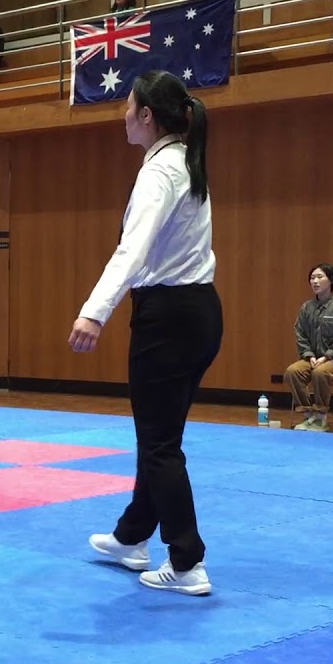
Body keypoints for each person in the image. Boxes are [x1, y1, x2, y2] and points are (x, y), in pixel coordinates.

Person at [70, 70, 221, 596]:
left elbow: (131, 251)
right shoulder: (183, 162)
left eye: (127, 105)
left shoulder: (161, 173)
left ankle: (186, 562)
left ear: (146, 116)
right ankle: (133, 536)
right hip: (198, 312)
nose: (122, 113)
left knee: (159, 445)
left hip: (169, 317)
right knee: (160, 437)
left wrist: (94, 311)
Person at [284, 263, 333, 433]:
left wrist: (327, 356)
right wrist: (309, 355)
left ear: (331, 280)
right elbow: (300, 333)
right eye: (312, 278)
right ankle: (309, 415)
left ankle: (321, 417)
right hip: (314, 358)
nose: (315, 281)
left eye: (319, 277)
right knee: (292, 372)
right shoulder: (307, 307)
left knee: (321, 372)